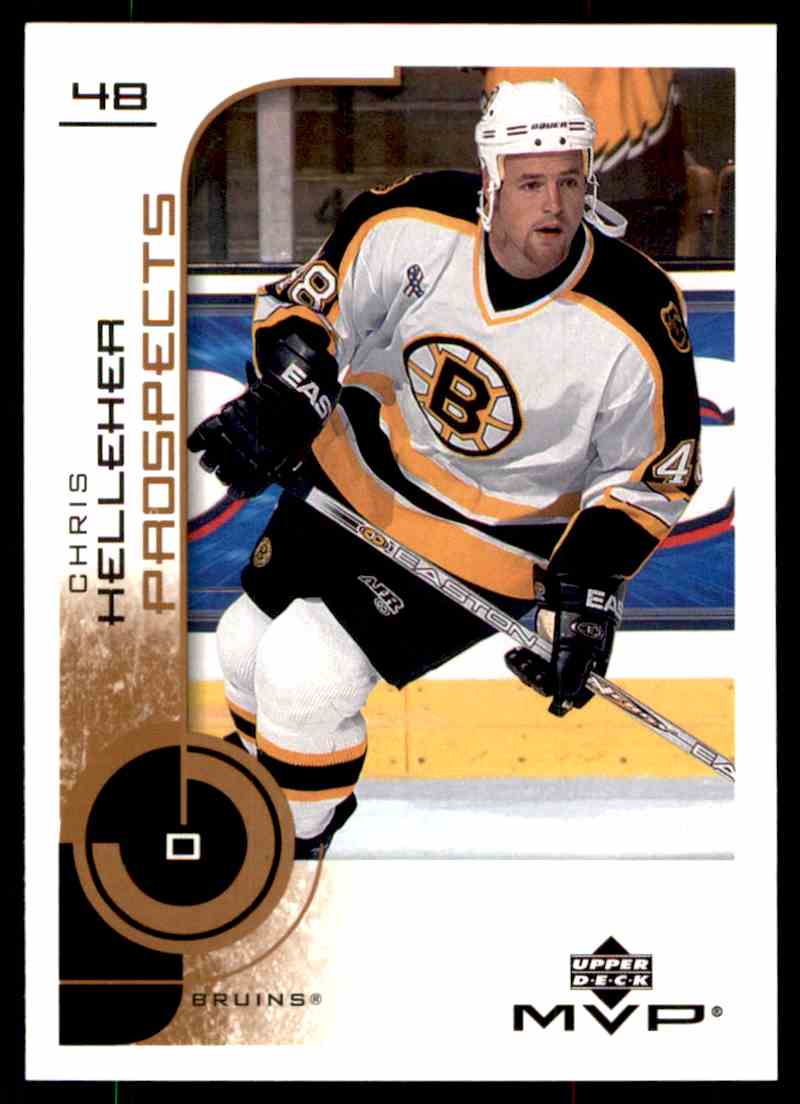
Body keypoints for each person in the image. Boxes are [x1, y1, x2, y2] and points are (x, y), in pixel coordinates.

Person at [189, 78, 701, 858]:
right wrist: (290, 395)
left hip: (489, 539)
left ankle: (291, 848)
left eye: (570, 182)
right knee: (244, 642)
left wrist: (590, 585)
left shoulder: (636, 307)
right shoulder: (413, 217)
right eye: (531, 183)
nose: (555, 206)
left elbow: (654, 473)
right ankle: (273, 787)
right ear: (490, 181)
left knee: (305, 672)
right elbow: (309, 309)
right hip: (358, 471)